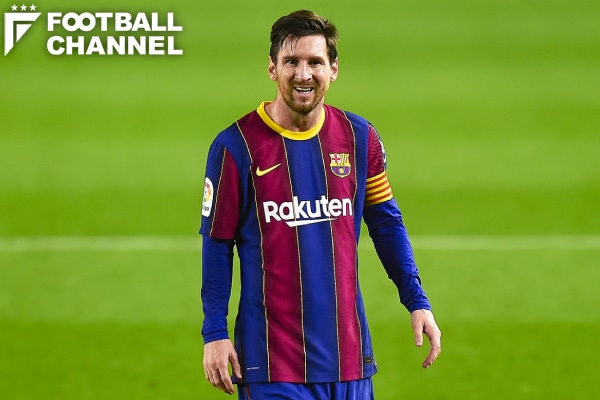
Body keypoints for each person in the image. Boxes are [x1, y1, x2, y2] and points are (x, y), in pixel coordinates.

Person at [199, 9, 441, 399]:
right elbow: (217, 243)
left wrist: (416, 300)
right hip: (271, 365)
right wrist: (214, 331)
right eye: (291, 62)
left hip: (349, 362)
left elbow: (386, 224)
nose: (303, 74)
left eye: (315, 62)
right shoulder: (236, 146)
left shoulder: (360, 138)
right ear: (272, 68)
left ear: (333, 70)